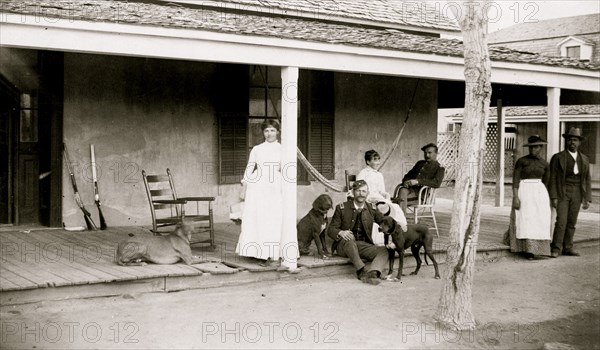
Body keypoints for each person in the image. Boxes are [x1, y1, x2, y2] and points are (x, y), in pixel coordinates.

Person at [236, 119, 298, 271]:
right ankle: (257, 251)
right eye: (266, 131)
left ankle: (273, 254)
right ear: (263, 133)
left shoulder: (283, 149)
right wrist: (243, 187)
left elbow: (287, 171)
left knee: (273, 219)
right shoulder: (257, 149)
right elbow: (250, 168)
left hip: (274, 186)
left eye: (272, 130)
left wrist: (285, 189)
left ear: (278, 132)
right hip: (257, 186)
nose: (269, 133)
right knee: (257, 218)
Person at [327, 180, 389, 285]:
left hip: (362, 246)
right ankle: (361, 270)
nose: (361, 194)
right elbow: (331, 229)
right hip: (344, 246)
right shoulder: (341, 208)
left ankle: (374, 272)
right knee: (350, 238)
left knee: (384, 250)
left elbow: (384, 222)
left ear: (368, 193)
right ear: (353, 192)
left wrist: (397, 226)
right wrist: (341, 232)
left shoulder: (372, 208)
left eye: (364, 191)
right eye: (358, 191)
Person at [503, 135, 551, 260]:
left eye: (535, 147)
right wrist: (515, 197)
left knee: (539, 219)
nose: (532, 150)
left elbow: (546, 183)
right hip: (524, 191)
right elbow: (515, 181)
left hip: (539, 193)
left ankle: (539, 249)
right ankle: (526, 249)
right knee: (525, 218)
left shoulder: (544, 163)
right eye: (530, 147)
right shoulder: (522, 161)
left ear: (541, 147)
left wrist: (544, 197)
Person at [548, 127, 592, 258]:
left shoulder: (584, 159)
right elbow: (553, 178)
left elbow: (587, 179)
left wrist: (587, 198)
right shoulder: (558, 158)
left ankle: (568, 247)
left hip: (577, 192)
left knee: (572, 221)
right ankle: (555, 248)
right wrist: (554, 196)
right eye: (570, 140)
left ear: (579, 143)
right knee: (561, 221)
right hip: (563, 191)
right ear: (566, 141)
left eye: (575, 140)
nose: (572, 142)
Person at [357, 150, 407, 233]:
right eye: (375, 160)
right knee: (382, 209)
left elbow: (381, 191)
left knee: (395, 207)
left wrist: (386, 195)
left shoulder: (379, 175)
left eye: (378, 160)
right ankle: (388, 229)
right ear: (368, 162)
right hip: (368, 198)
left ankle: (401, 226)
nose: (378, 162)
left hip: (378, 198)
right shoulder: (363, 173)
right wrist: (367, 198)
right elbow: (359, 189)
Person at [397, 143, 445, 212]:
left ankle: (400, 221)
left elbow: (436, 183)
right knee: (402, 191)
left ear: (436, 153)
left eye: (429, 153)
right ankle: (400, 220)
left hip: (420, 196)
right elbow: (408, 175)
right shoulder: (419, 163)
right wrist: (406, 182)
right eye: (425, 153)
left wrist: (418, 182)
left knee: (398, 201)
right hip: (409, 191)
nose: (427, 155)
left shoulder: (439, 168)